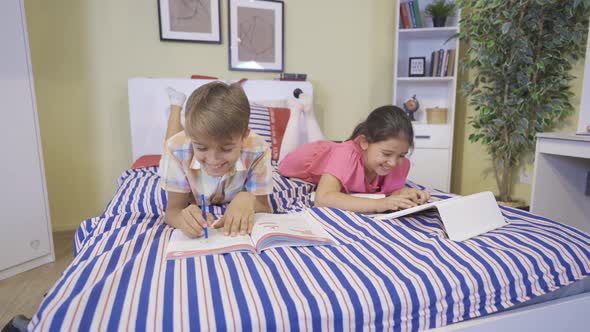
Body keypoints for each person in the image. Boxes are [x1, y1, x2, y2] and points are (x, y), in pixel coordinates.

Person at [160, 82, 273, 238]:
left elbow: (264, 206)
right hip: (178, 148)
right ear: (191, 138)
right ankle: (175, 108)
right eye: (201, 148)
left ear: (244, 135)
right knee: (169, 142)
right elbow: (172, 212)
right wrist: (182, 219)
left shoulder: (258, 149)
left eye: (226, 149)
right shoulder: (176, 149)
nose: (213, 160)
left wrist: (247, 198)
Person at [278, 105, 431, 213]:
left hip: (333, 153)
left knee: (332, 148)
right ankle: (298, 111)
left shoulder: (399, 163)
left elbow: (390, 191)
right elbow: (323, 198)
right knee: (283, 160)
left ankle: (308, 112)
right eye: (386, 154)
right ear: (364, 142)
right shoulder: (346, 154)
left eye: (401, 155)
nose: (393, 162)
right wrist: (379, 204)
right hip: (307, 159)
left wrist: (405, 193)